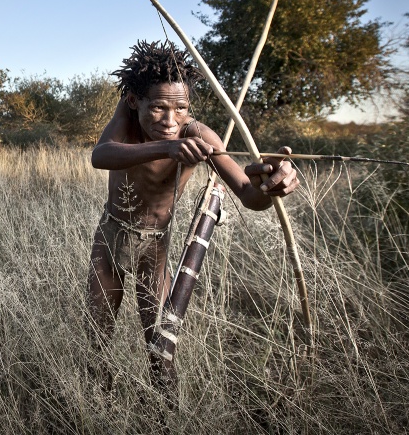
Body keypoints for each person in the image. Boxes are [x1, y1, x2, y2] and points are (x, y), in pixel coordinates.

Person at [87, 40, 299, 394]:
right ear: (135, 101)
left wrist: (270, 185)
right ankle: (97, 407)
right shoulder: (127, 118)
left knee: (161, 351)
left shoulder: (197, 135)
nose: (170, 121)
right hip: (111, 238)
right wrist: (167, 148)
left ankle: (166, 414)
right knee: (97, 339)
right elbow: (101, 155)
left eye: (181, 108)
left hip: (154, 248)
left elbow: (249, 195)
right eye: (158, 107)